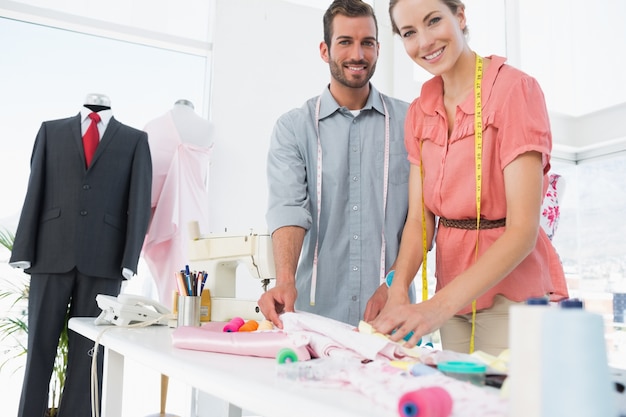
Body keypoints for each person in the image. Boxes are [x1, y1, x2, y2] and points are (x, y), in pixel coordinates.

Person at [368, 0, 569, 356]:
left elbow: (523, 231)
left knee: (507, 405)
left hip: (513, 295)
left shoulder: (513, 91)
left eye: (433, 21)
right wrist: (398, 290)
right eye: (410, 33)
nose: (425, 42)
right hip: (450, 299)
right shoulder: (419, 112)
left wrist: (434, 308)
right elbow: (419, 221)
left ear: (459, 15)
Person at [258, 0, 412, 329]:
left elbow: (422, 220)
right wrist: (285, 280)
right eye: (345, 42)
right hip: (316, 317)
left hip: (392, 318)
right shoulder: (294, 128)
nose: (357, 54)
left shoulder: (411, 123)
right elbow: (288, 207)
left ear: (378, 49)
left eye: (367, 43)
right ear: (325, 50)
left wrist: (393, 285)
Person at [10, 93, 152, 417]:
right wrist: (24, 251)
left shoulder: (134, 140)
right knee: (39, 350)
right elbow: (35, 189)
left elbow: (139, 203)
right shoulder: (51, 131)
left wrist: (130, 261)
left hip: (106, 260)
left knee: (91, 354)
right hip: (49, 254)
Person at [143, 99, 214, 305]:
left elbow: (149, 178)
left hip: (183, 214)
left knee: (191, 281)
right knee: (176, 284)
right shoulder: (154, 127)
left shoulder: (153, 128)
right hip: (174, 213)